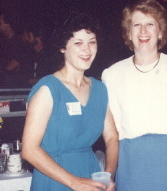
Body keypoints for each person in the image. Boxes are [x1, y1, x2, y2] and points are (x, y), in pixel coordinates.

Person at [102, 0, 167, 191]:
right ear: (128, 33)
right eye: (136, 25)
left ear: (160, 31)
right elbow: (114, 133)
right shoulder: (112, 74)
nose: (143, 31)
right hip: (132, 163)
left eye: (150, 24)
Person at [22, 11, 118, 191]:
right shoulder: (48, 89)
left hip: (90, 175)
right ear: (62, 47)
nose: (87, 50)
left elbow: (112, 138)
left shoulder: (100, 89)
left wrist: (108, 175)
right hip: (54, 178)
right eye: (78, 43)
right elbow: (29, 150)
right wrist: (74, 182)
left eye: (92, 42)